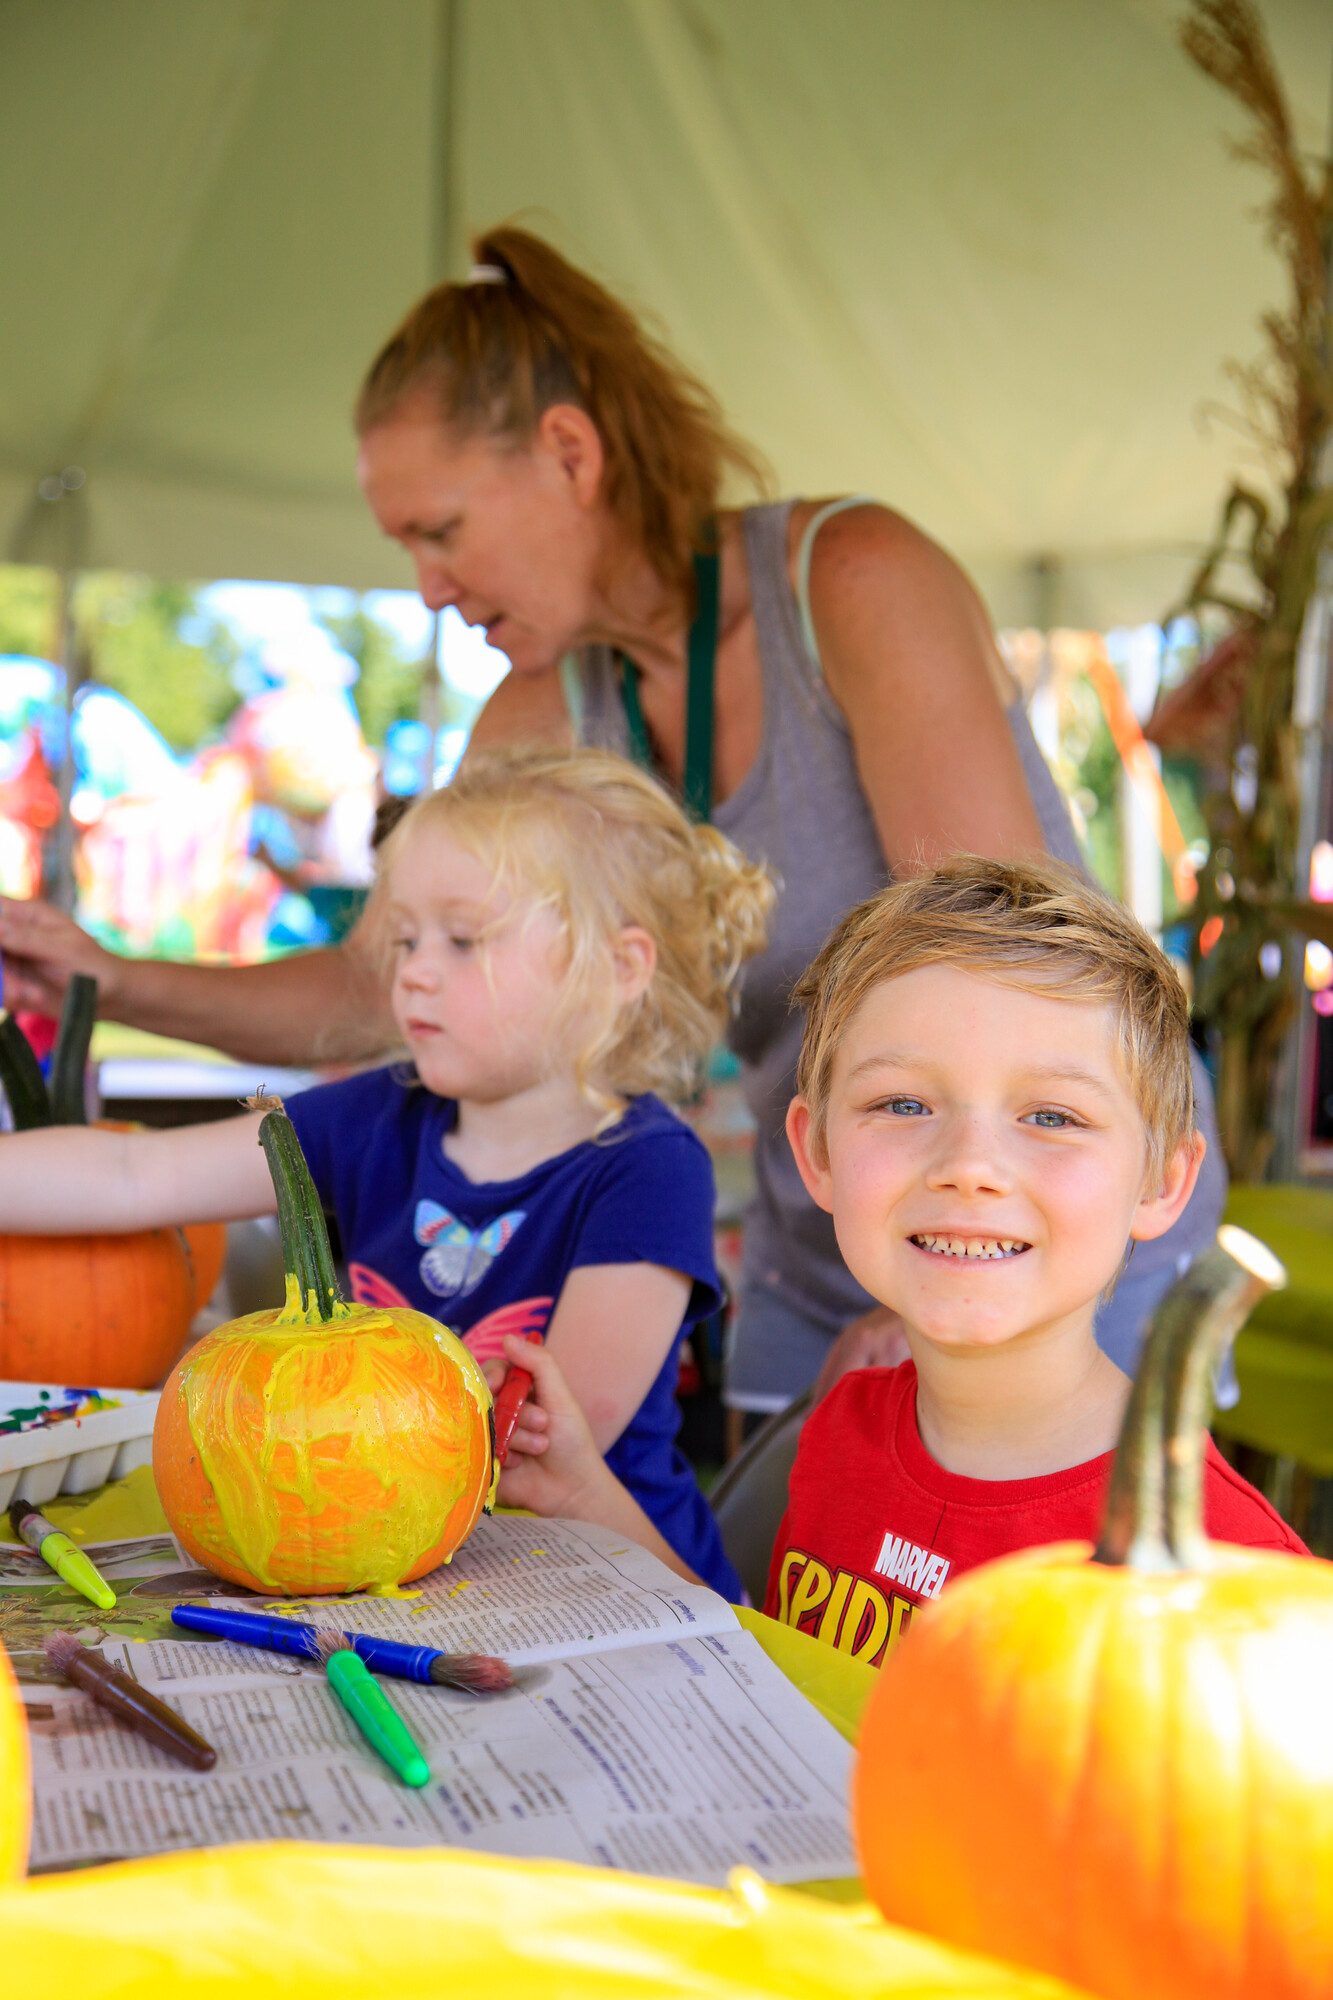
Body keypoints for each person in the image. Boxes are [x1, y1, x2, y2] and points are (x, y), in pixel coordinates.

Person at [0, 225, 1226, 1416]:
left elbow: (993, 959)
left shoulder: (848, 583)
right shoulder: (542, 702)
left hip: (1040, 1236)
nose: (427, 585)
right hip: (833, 1243)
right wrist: (112, 976)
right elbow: (390, 983)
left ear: (570, 453)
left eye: (441, 529)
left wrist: (921, 1304)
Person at [0, 748, 773, 1599]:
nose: (413, 970)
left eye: (462, 939)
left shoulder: (649, 1171)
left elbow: (535, 1432)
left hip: (610, 1582)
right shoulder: (373, 1115)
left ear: (618, 970)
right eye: (405, 938)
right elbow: (130, 1174)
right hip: (412, 1554)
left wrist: (264, 1404)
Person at [485, 855, 1303, 1638]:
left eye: (1051, 1116)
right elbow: (778, 1691)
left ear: (1161, 1181)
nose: (969, 1168)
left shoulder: (1227, 1573)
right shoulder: (841, 1429)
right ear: (817, 1153)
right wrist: (582, 1490)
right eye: (904, 1104)